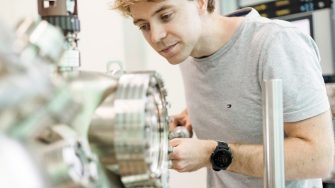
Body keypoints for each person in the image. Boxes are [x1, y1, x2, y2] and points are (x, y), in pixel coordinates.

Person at [113, 0, 335, 187]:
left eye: (166, 15)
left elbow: (319, 158)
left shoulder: (276, 43)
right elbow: (238, 96)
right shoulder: (186, 52)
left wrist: (211, 153)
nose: (156, 36)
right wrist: (194, 116)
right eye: (144, 26)